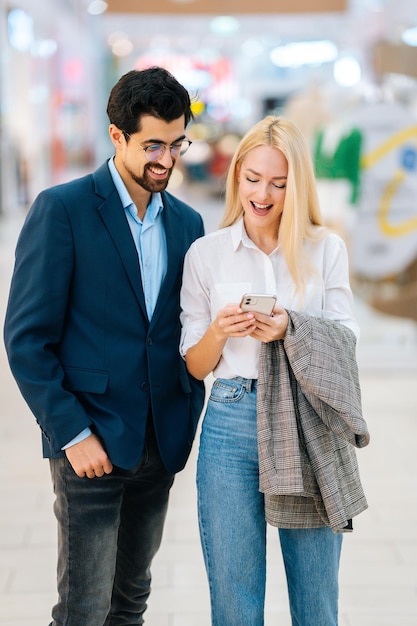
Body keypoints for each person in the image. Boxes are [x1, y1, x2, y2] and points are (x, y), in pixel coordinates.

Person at [4, 66, 205, 626]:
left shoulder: (188, 224)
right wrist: (70, 432)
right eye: (153, 145)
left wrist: (187, 407)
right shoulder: (63, 209)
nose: (166, 159)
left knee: (130, 603)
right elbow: (26, 339)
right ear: (117, 137)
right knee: (84, 610)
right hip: (88, 444)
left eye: (177, 142)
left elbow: (183, 327)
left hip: (159, 443)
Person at [179, 115, 370, 626]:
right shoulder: (206, 254)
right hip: (231, 420)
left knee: (315, 598)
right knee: (235, 599)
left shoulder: (324, 248)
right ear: (235, 173)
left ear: (297, 186)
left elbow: (346, 342)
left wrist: (291, 327)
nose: (263, 194)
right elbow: (195, 365)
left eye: (279, 183)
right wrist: (220, 331)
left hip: (306, 422)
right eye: (253, 178)